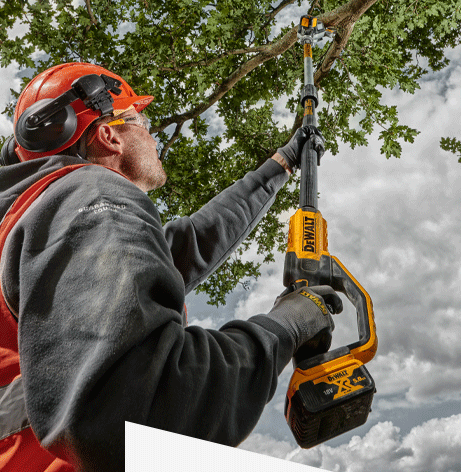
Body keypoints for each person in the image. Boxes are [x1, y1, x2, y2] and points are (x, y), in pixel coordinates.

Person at [0, 62, 342, 472]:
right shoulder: (88, 194)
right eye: (139, 119)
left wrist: (282, 164)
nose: (152, 133)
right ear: (110, 136)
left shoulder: (44, 226)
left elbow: (192, 242)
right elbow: (142, 405)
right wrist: (286, 327)